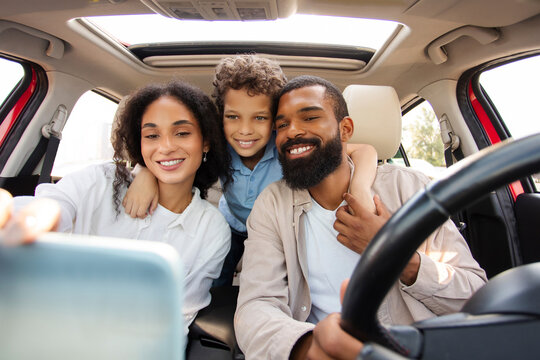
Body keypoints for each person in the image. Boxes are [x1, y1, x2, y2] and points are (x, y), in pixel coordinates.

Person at [234, 75, 487, 359]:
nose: (292, 131)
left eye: (309, 118)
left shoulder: (409, 188)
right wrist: (309, 347)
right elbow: (256, 307)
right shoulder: (272, 204)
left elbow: (474, 296)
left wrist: (395, 253)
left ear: (345, 129)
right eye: (282, 125)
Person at [123, 55, 379, 286]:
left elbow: (364, 150)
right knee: (217, 281)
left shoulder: (288, 148)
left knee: (279, 283)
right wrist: (145, 172)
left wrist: (360, 188)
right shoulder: (218, 145)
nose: (245, 130)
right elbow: (176, 159)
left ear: (275, 122)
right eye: (233, 117)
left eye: (259, 118)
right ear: (220, 116)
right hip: (232, 225)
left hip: (276, 229)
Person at [2, 80, 232, 335]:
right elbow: (54, 205)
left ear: (206, 142)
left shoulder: (212, 229)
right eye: (152, 135)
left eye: (182, 133)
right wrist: (30, 218)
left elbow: (177, 320)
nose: (166, 147)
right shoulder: (100, 180)